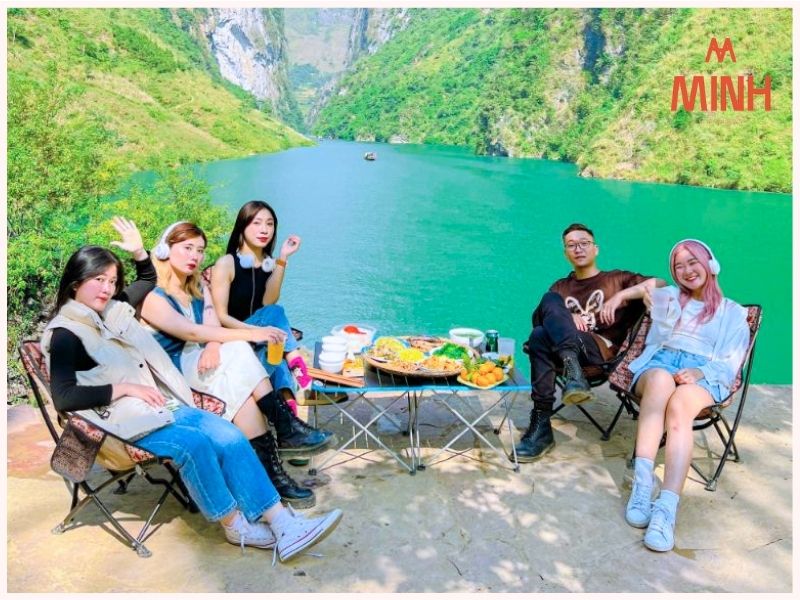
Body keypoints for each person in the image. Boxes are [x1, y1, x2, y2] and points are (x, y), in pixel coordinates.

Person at [42, 217, 342, 562]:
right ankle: (235, 525)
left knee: (228, 434)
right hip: (119, 425)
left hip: (156, 407)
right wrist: (124, 387)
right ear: (76, 283)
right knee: (195, 444)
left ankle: (283, 523)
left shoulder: (109, 311)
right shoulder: (66, 333)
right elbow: (64, 396)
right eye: (98, 280)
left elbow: (147, 280)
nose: (107, 289)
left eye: (111, 281)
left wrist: (139, 251)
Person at [140, 221, 325, 508]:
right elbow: (192, 332)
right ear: (165, 250)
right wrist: (252, 334)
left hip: (201, 364)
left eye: (200, 250)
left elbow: (211, 324)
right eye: (187, 248)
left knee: (246, 398)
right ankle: (286, 426)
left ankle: (273, 479)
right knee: (240, 347)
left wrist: (214, 345)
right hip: (174, 376)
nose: (195, 256)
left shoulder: (197, 286)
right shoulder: (152, 297)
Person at [625, 239, 749, 552]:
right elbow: (648, 292)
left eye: (693, 262)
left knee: (680, 404)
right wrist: (650, 305)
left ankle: (666, 510)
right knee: (660, 382)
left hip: (705, 372)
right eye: (678, 266)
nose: (686, 271)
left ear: (711, 264)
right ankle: (642, 485)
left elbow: (731, 363)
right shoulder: (669, 297)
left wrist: (699, 372)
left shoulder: (733, 313)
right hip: (660, 361)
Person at [513, 223, 664, 462]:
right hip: (565, 354)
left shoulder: (617, 279)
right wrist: (566, 316)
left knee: (542, 333)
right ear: (565, 253)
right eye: (571, 245)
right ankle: (550, 411)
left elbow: (661, 283)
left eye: (584, 243)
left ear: (596, 249)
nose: (578, 249)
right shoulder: (560, 287)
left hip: (599, 354)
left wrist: (621, 296)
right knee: (544, 319)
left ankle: (543, 420)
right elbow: (539, 319)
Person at [210, 201, 329, 440]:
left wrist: (282, 259)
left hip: (260, 340)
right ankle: (296, 361)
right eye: (257, 223)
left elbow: (268, 299)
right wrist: (255, 332)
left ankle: (290, 427)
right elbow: (221, 316)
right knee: (276, 315)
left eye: (270, 224)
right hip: (234, 340)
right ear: (242, 226)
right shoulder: (226, 264)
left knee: (277, 357)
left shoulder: (268, 263)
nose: (264, 229)